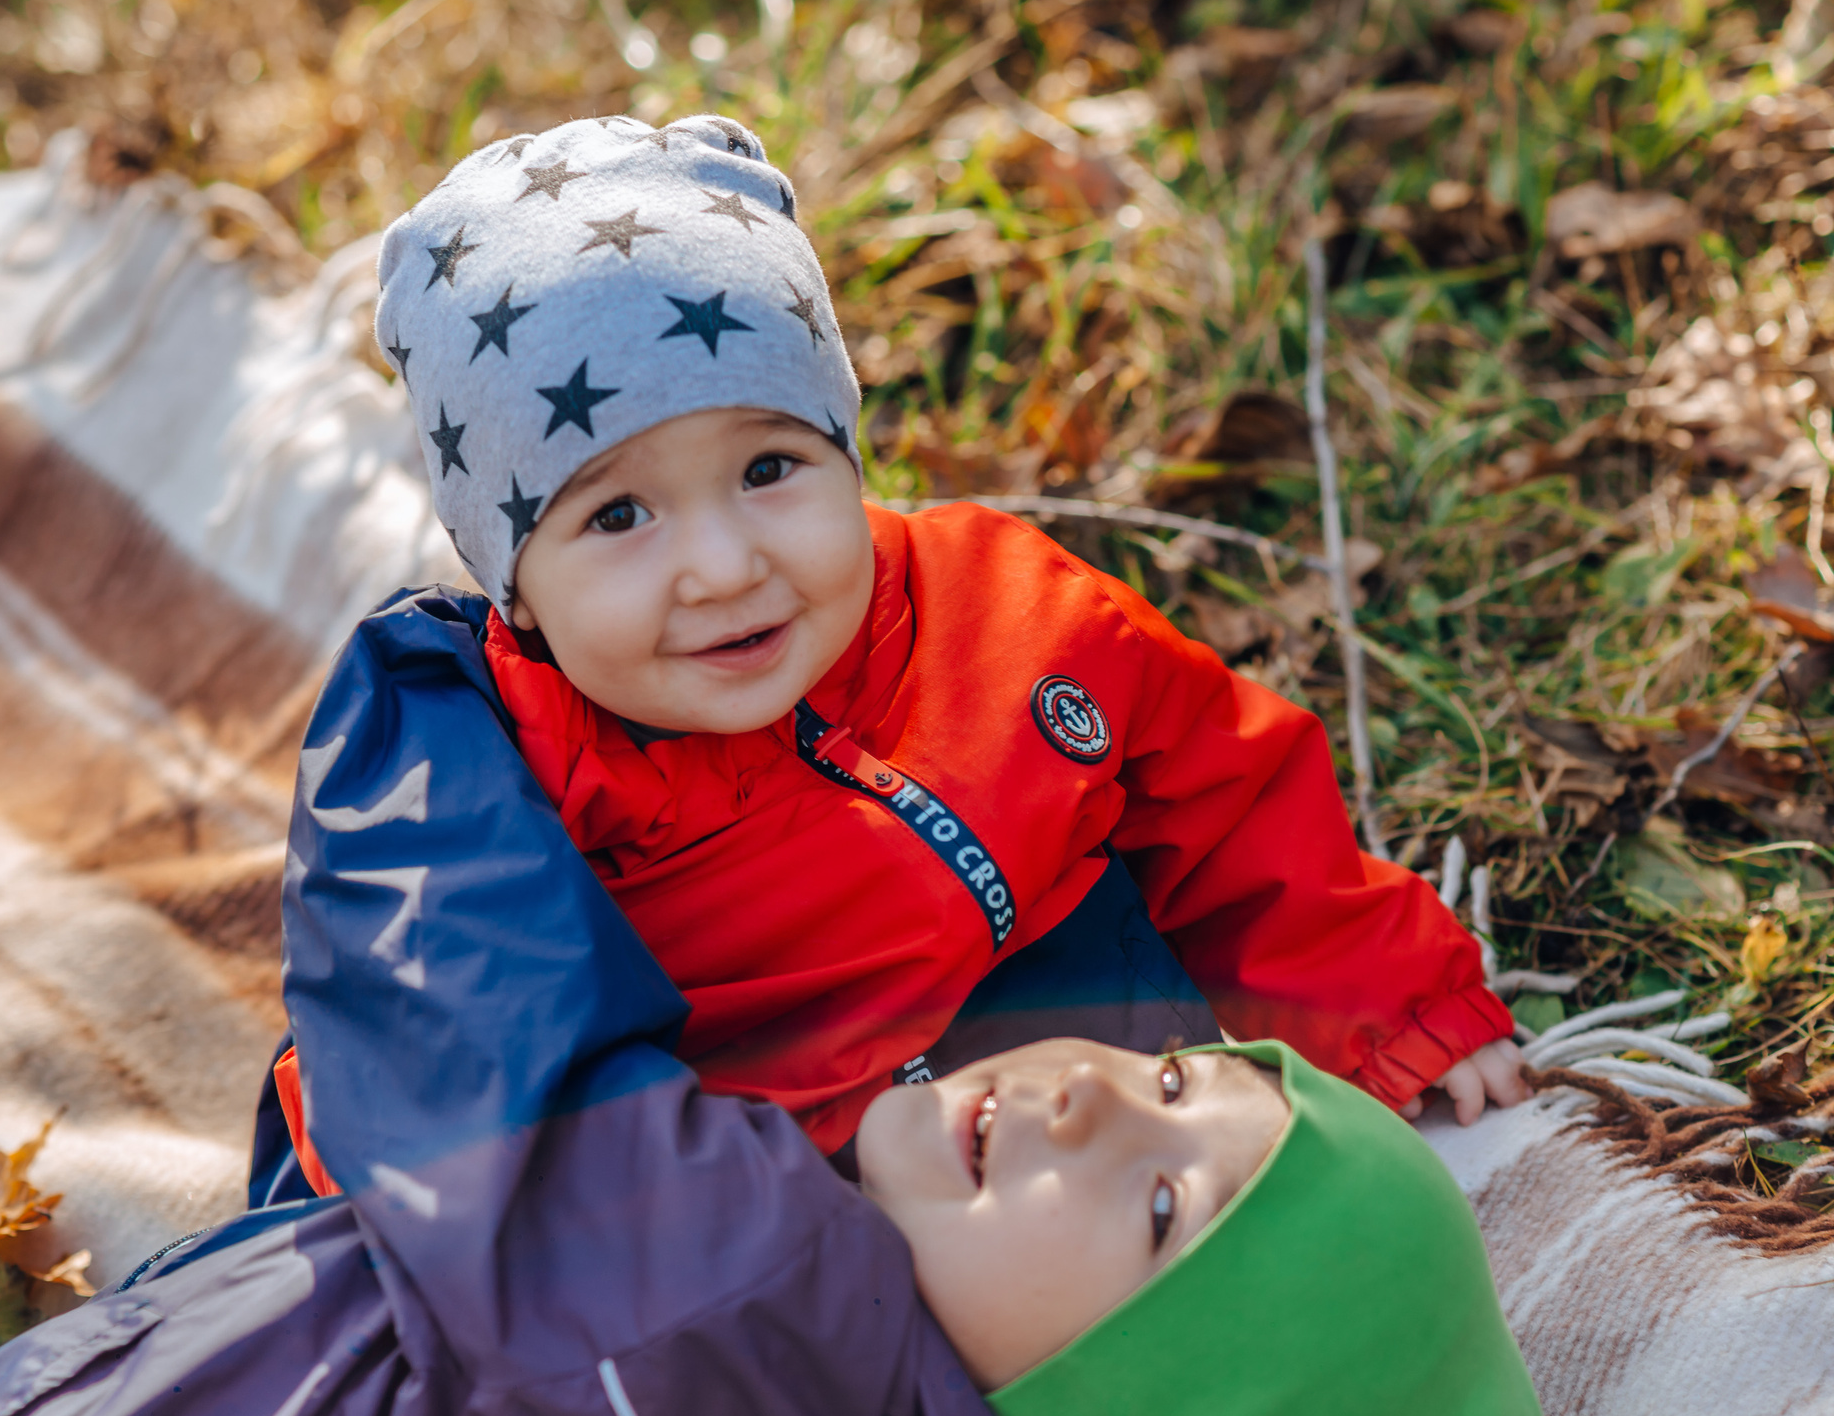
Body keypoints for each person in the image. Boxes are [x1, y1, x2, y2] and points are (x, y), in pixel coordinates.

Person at [0, 574, 1547, 1416]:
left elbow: (458, 1006)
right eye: (1199, 1084)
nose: (1090, 1095)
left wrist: (436, 666)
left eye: (1161, 1209)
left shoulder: (748, 1298)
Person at [258, 112, 1526, 1205]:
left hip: (1078, 1119)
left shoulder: (1002, 608)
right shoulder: (511, 787)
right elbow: (421, 1066)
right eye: (617, 515)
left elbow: (1227, 800)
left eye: (769, 469)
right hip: (791, 1232)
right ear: (513, 590)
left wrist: (1387, 1004)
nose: (722, 566)